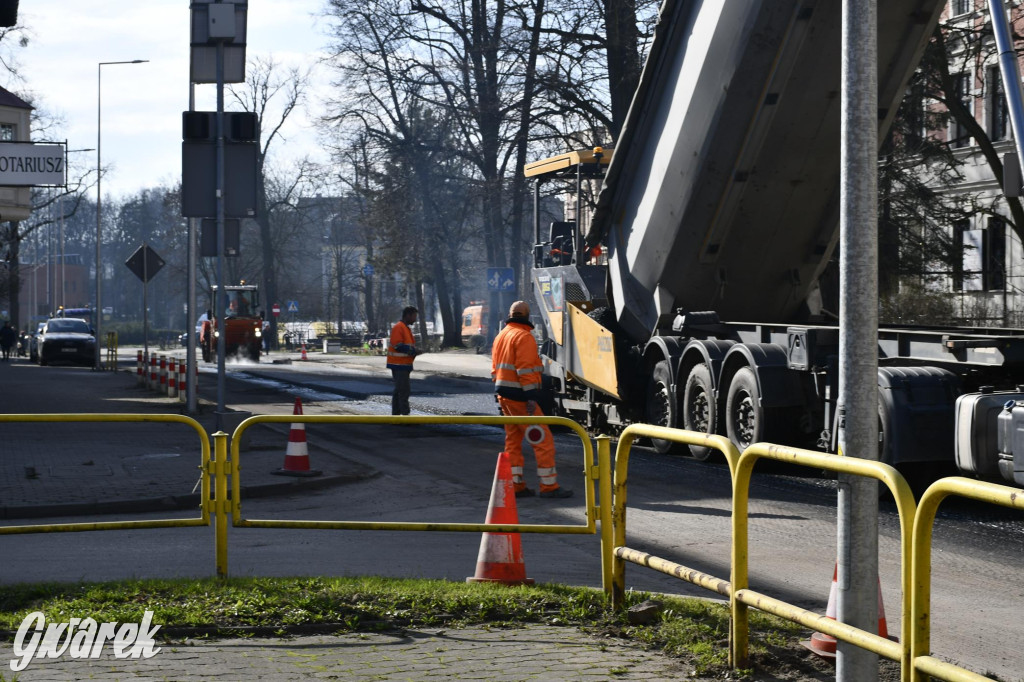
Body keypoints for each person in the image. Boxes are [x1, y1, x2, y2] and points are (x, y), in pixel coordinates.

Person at [492, 300, 572, 499]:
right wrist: (531, 397)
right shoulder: (524, 337)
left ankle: (515, 485)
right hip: (520, 399)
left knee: (513, 441)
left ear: (511, 314)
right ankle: (549, 486)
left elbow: (496, 370)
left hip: (505, 398)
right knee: (543, 440)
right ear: (528, 316)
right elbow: (525, 370)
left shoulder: (501, 336)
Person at [387, 306, 419, 415]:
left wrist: (414, 351)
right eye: (414, 316)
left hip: (403, 364)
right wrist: (414, 351)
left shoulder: (404, 328)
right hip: (399, 364)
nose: (415, 319)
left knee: (399, 390)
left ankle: (396, 416)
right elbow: (398, 345)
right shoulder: (399, 327)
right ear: (408, 315)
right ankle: (405, 416)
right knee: (404, 391)